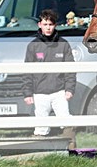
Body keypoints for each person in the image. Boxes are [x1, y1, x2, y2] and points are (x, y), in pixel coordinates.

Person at [22, 9, 76, 147]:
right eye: (45, 24)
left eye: (51, 24)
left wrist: (69, 89)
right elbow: (27, 71)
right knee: (41, 127)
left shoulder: (63, 44)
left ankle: (71, 151)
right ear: (39, 25)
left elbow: (71, 69)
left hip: (59, 91)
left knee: (66, 121)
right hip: (39, 92)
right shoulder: (33, 46)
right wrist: (27, 93)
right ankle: (41, 153)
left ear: (55, 25)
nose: (48, 28)